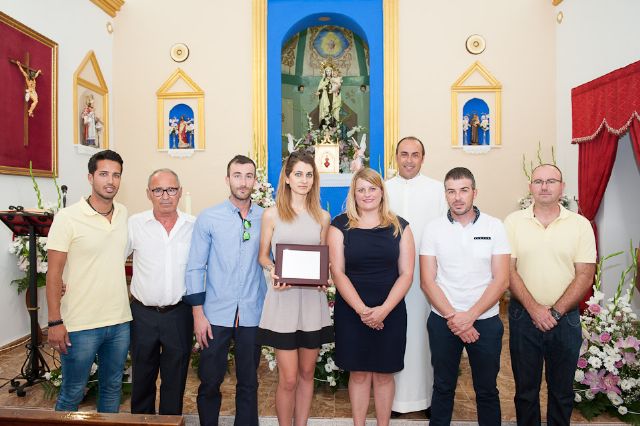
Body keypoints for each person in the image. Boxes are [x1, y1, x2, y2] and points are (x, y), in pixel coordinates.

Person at [504, 164, 596, 426]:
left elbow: (585, 274)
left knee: (562, 392)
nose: (544, 187)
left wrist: (555, 312)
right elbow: (507, 270)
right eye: (538, 181)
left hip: (565, 319)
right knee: (525, 392)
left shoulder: (580, 225)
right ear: (530, 187)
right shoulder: (513, 222)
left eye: (551, 181)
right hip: (523, 317)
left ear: (562, 187)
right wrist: (535, 309)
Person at [420, 167, 510, 426]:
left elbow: (501, 280)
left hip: (485, 322)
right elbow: (427, 281)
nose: (457, 197)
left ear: (474, 192)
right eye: (451, 191)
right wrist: (454, 317)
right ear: (445, 195)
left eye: (463, 190)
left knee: (487, 390)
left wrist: (469, 317)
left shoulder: (494, 226)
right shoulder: (433, 228)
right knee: (443, 386)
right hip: (443, 320)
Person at [183, 155, 267, 426]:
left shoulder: (266, 217)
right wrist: (198, 315)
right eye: (237, 175)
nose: (243, 182)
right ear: (227, 179)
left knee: (249, 383)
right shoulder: (209, 217)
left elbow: (277, 256)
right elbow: (195, 268)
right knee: (210, 381)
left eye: (248, 176)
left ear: (255, 180)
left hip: (252, 312)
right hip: (215, 315)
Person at [328, 167, 414, 426]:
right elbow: (337, 272)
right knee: (359, 374)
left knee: (385, 374)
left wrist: (383, 310)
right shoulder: (340, 225)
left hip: (391, 311)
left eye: (372, 188)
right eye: (361, 190)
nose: (367, 194)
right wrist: (363, 311)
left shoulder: (400, 227)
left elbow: (407, 274)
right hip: (352, 312)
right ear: (353, 194)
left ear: (381, 192)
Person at [46, 149, 131, 413]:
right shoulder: (67, 218)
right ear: (90, 177)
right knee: (73, 391)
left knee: (112, 387)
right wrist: (54, 321)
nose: (111, 181)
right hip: (80, 323)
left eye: (116, 175)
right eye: (104, 174)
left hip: (118, 320)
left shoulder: (123, 214)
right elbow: (53, 273)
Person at [256, 151, 332, 426]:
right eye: (298, 174)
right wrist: (273, 270)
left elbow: (324, 257)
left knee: (307, 373)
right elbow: (263, 256)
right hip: (283, 300)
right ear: (287, 178)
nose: (304, 180)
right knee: (288, 378)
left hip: (312, 301)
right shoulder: (272, 215)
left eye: (309, 175)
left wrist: (326, 275)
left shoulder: (322, 217)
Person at [385, 136, 446, 418]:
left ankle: (428, 398)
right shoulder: (383, 189)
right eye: (404, 154)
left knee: (425, 338)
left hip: (426, 277)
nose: (409, 160)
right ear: (396, 157)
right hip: (390, 278)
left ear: (423, 158)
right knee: (395, 338)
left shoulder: (437, 190)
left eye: (415, 154)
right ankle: (395, 402)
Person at [127, 168, 195, 415]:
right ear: (149, 193)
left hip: (179, 313)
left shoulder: (193, 226)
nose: (165, 196)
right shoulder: (135, 224)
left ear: (180, 192)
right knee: (142, 380)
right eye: (158, 190)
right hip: (142, 315)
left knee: (175, 381)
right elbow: (112, 259)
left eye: (171, 189)